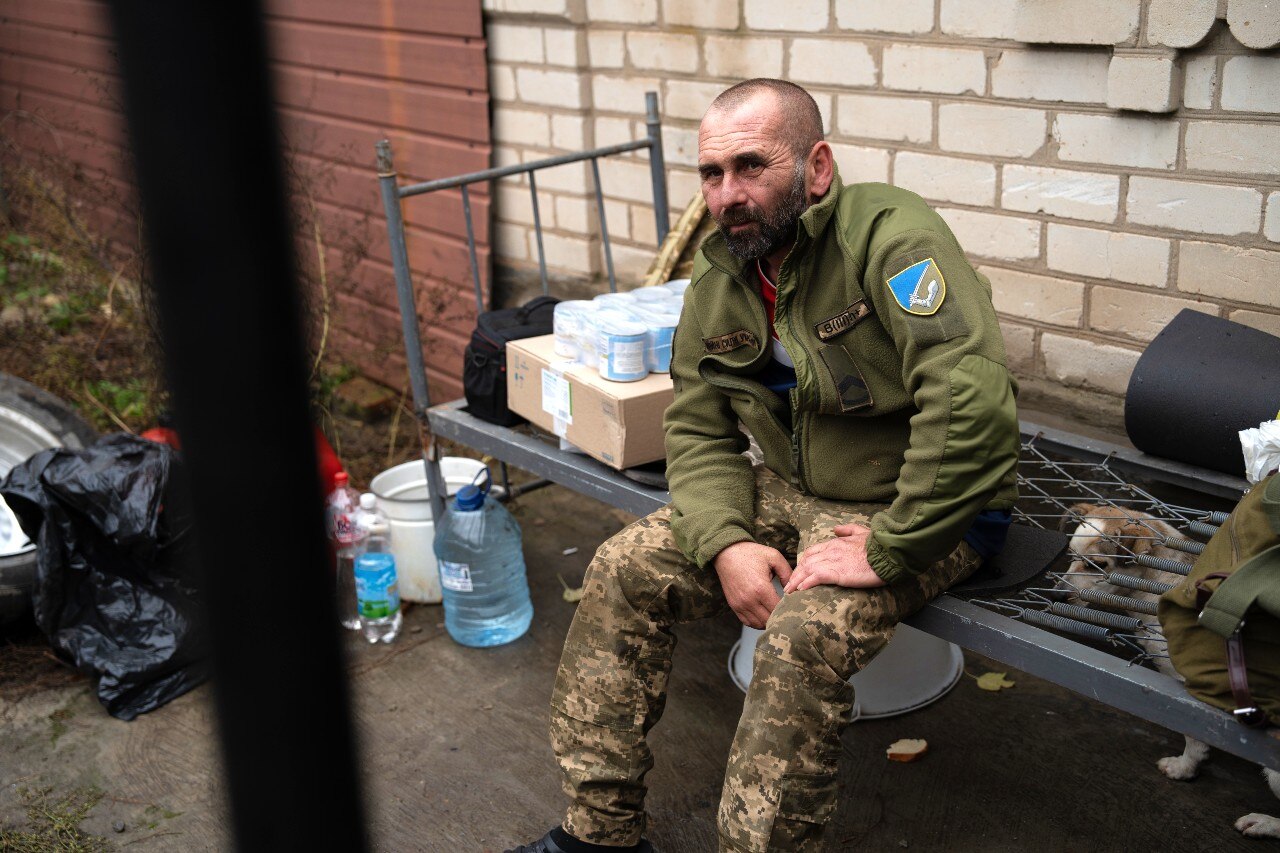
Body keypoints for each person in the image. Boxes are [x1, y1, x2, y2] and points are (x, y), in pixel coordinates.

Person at [509, 78, 1020, 853]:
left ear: (817, 167)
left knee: (801, 634)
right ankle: (599, 835)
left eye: (751, 166)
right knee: (621, 568)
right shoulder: (722, 275)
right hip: (791, 486)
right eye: (711, 174)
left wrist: (889, 546)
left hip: (920, 504)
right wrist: (725, 541)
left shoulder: (891, 237)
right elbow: (695, 424)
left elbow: (970, 405)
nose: (727, 195)